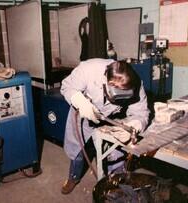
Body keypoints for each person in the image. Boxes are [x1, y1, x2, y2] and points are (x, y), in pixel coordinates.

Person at [60, 58, 150, 194]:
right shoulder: (88, 69)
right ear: (105, 82)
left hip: (111, 119)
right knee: (78, 152)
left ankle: (113, 185)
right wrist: (81, 102)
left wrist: (133, 127)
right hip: (83, 114)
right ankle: (73, 178)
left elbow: (141, 113)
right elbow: (67, 86)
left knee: (114, 154)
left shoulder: (137, 84)